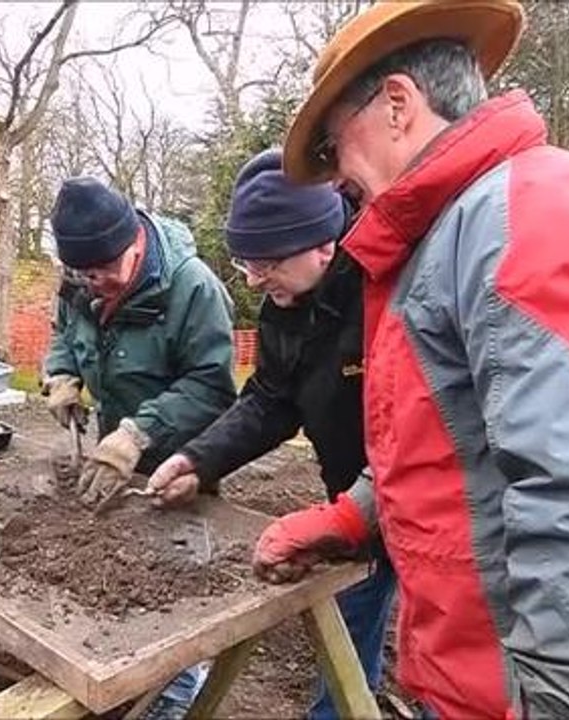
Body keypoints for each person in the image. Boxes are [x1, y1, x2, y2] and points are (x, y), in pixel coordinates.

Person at [252, 1, 569, 718]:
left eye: (335, 147)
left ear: (398, 105)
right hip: (485, 681)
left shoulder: (528, 216)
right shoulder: (455, 237)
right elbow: (459, 445)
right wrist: (353, 519)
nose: (335, 180)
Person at [146, 148, 396, 717]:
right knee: (352, 615)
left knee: (451, 666)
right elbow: (271, 398)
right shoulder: (284, 301)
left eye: (269, 264)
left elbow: (429, 430)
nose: (256, 279)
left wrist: (353, 511)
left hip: (428, 502)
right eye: (246, 265)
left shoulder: (387, 290)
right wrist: (199, 459)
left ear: (324, 246)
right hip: (355, 504)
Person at [41, 176, 237, 718]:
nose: (94, 282)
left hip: (183, 460)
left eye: (105, 270)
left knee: (176, 594)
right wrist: (61, 373)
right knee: (120, 577)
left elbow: (212, 386)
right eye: (84, 273)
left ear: (135, 243)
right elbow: (63, 330)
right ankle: (120, 679)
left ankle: (171, 699)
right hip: (112, 457)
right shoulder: (81, 281)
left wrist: (136, 433)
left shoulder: (192, 288)